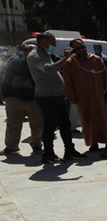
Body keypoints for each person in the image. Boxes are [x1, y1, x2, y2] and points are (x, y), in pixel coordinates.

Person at [27, 32, 86, 164]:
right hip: (47, 96)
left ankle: (69, 150)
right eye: (52, 43)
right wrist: (65, 59)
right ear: (43, 42)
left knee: (65, 124)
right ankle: (48, 154)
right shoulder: (35, 56)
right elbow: (48, 69)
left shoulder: (45, 54)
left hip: (57, 95)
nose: (55, 45)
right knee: (50, 126)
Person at [62, 39, 107, 152]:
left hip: (100, 96)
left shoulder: (96, 59)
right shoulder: (70, 63)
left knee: (104, 119)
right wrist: (71, 96)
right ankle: (93, 144)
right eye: (78, 48)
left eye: (82, 47)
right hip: (83, 97)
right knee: (88, 120)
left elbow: (105, 77)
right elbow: (68, 82)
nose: (81, 50)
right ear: (73, 50)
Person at [2, 44, 43, 155]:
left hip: (35, 99)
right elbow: (6, 77)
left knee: (37, 125)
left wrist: (34, 83)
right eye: (29, 51)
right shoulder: (14, 60)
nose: (31, 53)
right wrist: (6, 95)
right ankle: (11, 146)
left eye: (34, 51)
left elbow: (46, 77)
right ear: (24, 52)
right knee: (13, 124)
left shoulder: (41, 61)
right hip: (14, 98)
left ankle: (37, 145)